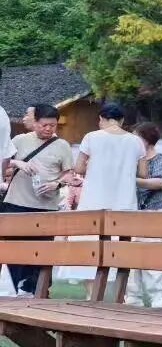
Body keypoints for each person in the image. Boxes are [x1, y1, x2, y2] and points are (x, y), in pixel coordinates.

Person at [1, 103, 76, 296]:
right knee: (14, 252)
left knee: (42, 253)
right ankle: (14, 292)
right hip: (16, 204)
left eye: (53, 125)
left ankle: (37, 293)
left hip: (46, 208)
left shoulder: (62, 146)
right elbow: (4, 166)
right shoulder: (19, 141)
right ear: (35, 122)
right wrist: (18, 163)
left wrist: (56, 184)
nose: (48, 129)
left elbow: (69, 175)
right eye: (44, 125)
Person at [73, 102, 147, 290]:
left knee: (90, 245)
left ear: (101, 119)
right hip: (124, 201)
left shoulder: (91, 137)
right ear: (122, 120)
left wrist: (94, 166)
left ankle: (92, 293)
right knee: (123, 248)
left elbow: (79, 168)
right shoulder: (136, 141)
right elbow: (143, 173)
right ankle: (122, 294)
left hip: (94, 200)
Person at [127, 122, 162, 309]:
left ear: (146, 139)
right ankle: (132, 296)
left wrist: (133, 180)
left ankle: (157, 296)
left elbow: (160, 182)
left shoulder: (160, 159)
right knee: (130, 258)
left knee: (153, 257)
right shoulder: (131, 160)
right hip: (131, 212)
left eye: (136, 137)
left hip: (153, 212)